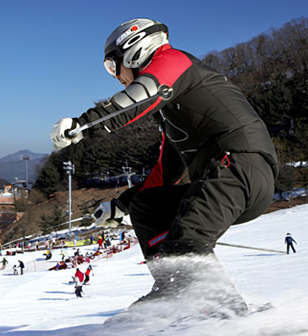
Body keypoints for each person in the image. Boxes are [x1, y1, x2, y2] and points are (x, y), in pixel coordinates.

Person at [51, 18, 278, 315]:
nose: (116, 77)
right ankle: (182, 294)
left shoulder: (173, 61)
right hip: (223, 178)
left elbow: (140, 96)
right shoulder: (176, 111)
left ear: (134, 52)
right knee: (148, 206)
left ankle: (220, 314)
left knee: (186, 239)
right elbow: (165, 172)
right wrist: (123, 205)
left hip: (239, 167)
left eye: (113, 66)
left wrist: (84, 124)